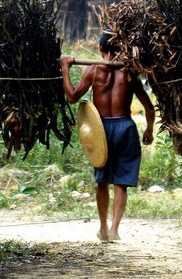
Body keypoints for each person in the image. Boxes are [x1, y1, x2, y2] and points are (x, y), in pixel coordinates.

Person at [59, 30, 155, 242]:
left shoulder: (93, 71)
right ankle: (114, 230)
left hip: (100, 129)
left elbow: (72, 97)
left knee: (102, 181)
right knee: (121, 182)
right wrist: (149, 129)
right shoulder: (129, 72)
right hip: (125, 127)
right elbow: (149, 107)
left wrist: (65, 68)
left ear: (100, 49)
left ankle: (102, 229)